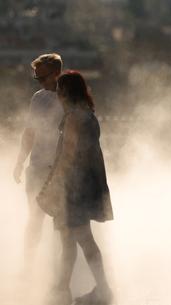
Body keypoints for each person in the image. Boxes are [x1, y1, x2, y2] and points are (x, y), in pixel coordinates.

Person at [37, 71, 114, 305]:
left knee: (81, 240)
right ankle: (62, 290)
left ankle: (102, 290)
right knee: (70, 241)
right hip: (86, 185)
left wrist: (50, 187)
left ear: (66, 93)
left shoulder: (73, 118)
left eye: (59, 90)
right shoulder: (89, 116)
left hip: (73, 189)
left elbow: (67, 157)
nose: (57, 95)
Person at [13, 53, 65, 270]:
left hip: (59, 170)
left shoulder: (69, 98)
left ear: (56, 74)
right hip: (36, 168)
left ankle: (58, 271)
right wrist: (19, 162)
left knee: (61, 223)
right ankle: (28, 267)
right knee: (34, 220)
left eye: (42, 78)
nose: (40, 83)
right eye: (37, 79)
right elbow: (29, 131)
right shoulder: (38, 98)